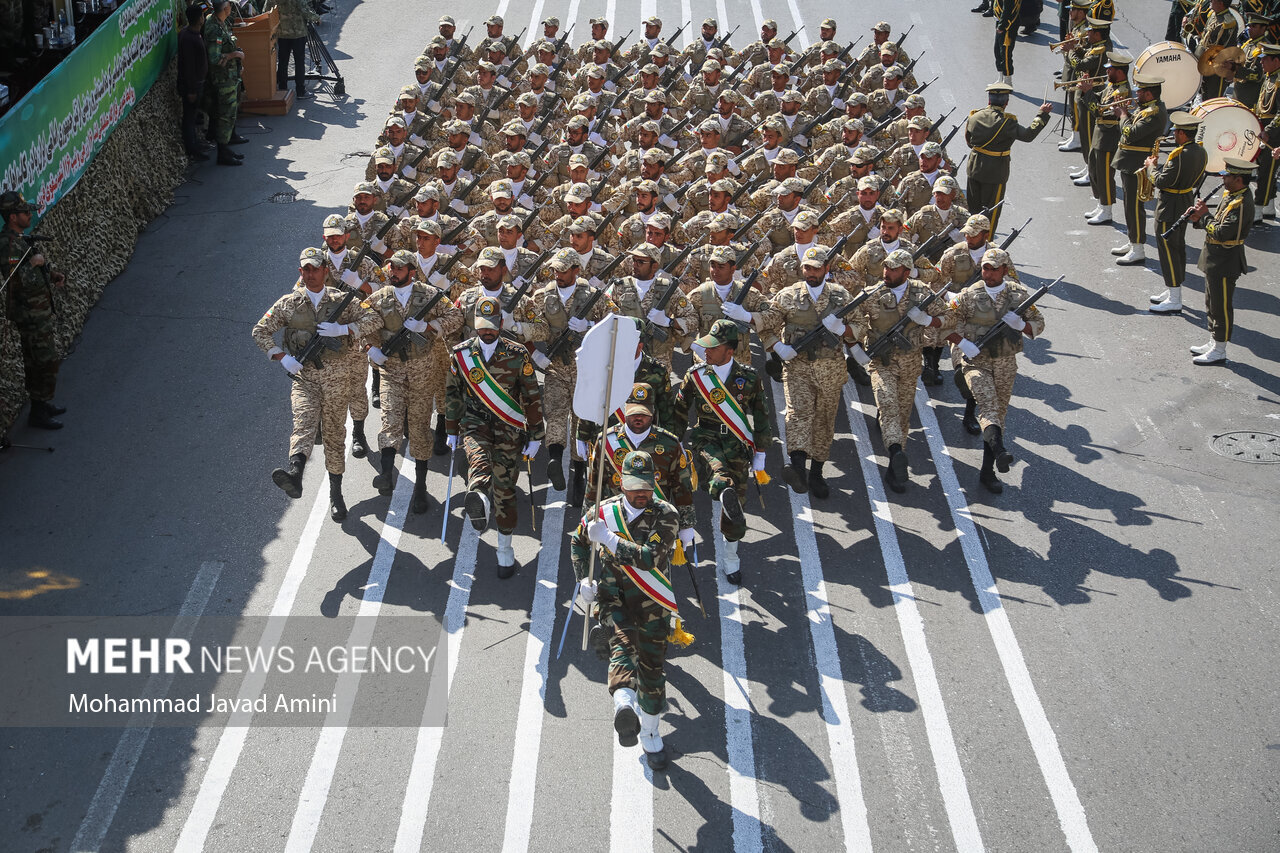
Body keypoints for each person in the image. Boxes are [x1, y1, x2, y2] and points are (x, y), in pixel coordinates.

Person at [569, 449, 682, 770]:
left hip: (652, 603)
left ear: (654, 483)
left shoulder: (666, 515)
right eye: (634, 487)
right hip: (613, 598)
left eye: (646, 486)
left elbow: (649, 558)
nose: (641, 493)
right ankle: (624, 707)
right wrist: (584, 579)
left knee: (652, 670)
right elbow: (578, 543)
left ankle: (650, 732)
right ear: (621, 484)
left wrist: (608, 538)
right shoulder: (601, 512)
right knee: (622, 646)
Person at [253, 247, 380, 522]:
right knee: (303, 421)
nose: (310, 274)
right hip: (305, 378)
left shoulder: (341, 300)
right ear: (301, 272)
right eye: (305, 270)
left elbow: (373, 318)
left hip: (337, 380)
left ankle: (336, 494)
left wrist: (344, 329)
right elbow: (260, 330)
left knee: (334, 435)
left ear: (325, 271)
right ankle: (295, 474)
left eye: (315, 269)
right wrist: (281, 357)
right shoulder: (288, 303)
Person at [444, 295, 544, 576]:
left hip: (508, 427)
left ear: (500, 323)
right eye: (481, 326)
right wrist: (451, 429)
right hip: (475, 423)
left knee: (505, 487)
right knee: (478, 461)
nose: (486, 331)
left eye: (491, 326)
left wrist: (536, 435)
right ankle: (478, 497)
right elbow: (452, 393)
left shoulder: (517, 354)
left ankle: (504, 549)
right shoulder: (462, 354)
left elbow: (531, 395)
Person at [758, 246, 867, 499]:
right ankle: (797, 466)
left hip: (831, 369)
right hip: (798, 367)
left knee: (824, 421)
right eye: (807, 268)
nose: (811, 273)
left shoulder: (841, 296)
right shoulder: (788, 295)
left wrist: (842, 329)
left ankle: (816, 472)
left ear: (826, 269)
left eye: (816, 268)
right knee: (797, 414)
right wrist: (778, 347)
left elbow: (861, 326)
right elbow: (767, 324)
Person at [674, 320, 773, 585]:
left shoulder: (748, 377)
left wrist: (761, 452)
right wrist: (676, 442)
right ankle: (721, 489)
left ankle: (731, 557)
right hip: (706, 439)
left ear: (729, 351)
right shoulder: (696, 376)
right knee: (718, 474)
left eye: (713, 348)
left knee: (736, 505)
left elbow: (761, 416)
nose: (706, 352)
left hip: (738, 444)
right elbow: (679, 412)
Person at [939, 248, 1046, 493]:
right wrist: (962, 343)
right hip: (977, 361)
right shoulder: (969, 295)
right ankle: (999, 450)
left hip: (1005, 362)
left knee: (999, 414)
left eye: (993, 269)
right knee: (988, 406)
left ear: (1004, 270)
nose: (988, 273)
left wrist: (1022, 325)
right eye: (985, 268)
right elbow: (944, 321)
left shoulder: (1018, 295)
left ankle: (988, 470)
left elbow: (1039, 323)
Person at [365, 250, 463, 513]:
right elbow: (361, 324)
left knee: (419, 428)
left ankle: (420, 487)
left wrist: (429, 327)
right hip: (391, 370)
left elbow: (456, 317)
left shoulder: (429, 295)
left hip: (422, 371)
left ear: (411, 270)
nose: (393, 272)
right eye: (392, 268)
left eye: (399, 268)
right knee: (390, 421)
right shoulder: (379, 298)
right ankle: (386, 474)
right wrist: (370, 348)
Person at [852, 249, 948, 495]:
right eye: (886, 267)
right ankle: (896, 451)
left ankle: (894, 468)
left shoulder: (922, 293)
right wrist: (855, 348)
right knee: (888, 406)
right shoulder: (872, 294)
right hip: (881, 363)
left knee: (903, 416)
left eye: (893, 269)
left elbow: (949, 316)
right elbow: (852, 321)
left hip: (910, 364)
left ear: (906, 272)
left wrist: (928, 321)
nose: (887, 272)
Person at [1, 191, 67, 430]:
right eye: (25, 213)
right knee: (42, 361)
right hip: (28, 315)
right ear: (12, 217)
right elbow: (15, 281)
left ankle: (41, 404)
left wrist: (51, 273)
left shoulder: (20, 239)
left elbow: (33, 272)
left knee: (41, 360)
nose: (30, 216)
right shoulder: (7, 245)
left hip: (38, 311)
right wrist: (33, 262)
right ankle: (38, 412)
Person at [1188, 158, 1256, 365]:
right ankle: (1214, 340)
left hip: (1226, 261)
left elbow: (1222, 232)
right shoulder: (1232, 195)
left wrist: (1204, 215)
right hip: (1215, 258)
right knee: (1211, 302)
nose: (1223, 179)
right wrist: (1198, 219)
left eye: (1227, 176)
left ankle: (1220, 349)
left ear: (1238, 179)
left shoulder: (1241, 203)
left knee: (1221, 306)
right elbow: (1217, 222)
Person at [964, 82, 1051, 232]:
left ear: (989, 100)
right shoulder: (1007, 122)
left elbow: (969, 140)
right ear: (1006, 102)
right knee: (990, 215)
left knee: (973, 211)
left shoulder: (974, 116)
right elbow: (1028, 135)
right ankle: (986, 243)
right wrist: (1042, 115)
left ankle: (970, 240)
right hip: (995, 172)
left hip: (974, 167)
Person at [1146, 112, 1207, 315]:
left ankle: (1175, 298)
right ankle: (1173, 289)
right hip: (1185, 200)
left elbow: (1162, 181)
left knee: (1168, 250)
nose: (1173, 135)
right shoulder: (1201, 151)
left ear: (1182, 133)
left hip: (1170, 205)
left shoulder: (1179, 155)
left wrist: (1151, 168)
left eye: (1175, 132)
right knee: (1177, 247)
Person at [1111, 74, 1169, 266]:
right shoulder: (1146, 108)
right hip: (1130, 163)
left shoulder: (1154, 113)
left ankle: (1138, 248)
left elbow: (1131, 134)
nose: (1136, 93)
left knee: (1135, 207)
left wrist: (1123, 115)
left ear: (1149, 94)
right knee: (1129, 206)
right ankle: (1132, 240)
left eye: (1141, 91)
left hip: (1137, 165)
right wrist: (1126, 114)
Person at [203, 0, 247, 167]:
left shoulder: (217, 21)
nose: (231, 7)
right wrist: (234, 55)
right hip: (222, 80)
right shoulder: (214, 29)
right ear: (226, 9)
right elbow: (214, 58)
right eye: (230, 5)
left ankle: (226, 148)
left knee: (227, 115)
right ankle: (223, 153)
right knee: (225, 117)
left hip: (229, 76)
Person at [264, 0, 318, 99]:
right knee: (299, 63)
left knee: (283, 62)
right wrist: (317, 18)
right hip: (298, 33)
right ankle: (300, 91)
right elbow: (304, 10)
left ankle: (282, 89)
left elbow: (266, 11)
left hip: (282, 33)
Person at [177, 5, 209, 161]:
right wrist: (192, 90)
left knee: (194, 116)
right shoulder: (190, 38)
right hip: (192, 86)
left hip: (196, 84)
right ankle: (192, 150)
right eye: (202, 16)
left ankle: (196, 143)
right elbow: (189, 67)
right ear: (200, 19)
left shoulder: (189, 33)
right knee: (189, 118)